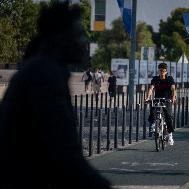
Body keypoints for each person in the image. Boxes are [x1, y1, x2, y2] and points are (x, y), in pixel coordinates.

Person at [0, 1, 111, 188]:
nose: (85, 42)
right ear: (62, 39)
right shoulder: (45, 76)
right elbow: (64, 150)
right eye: (79, 35)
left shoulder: (43, 69)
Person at [145, 63, 177, 145]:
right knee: (152, 108)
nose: (162, 72)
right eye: (160, 70)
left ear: (166, 71)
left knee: (168, 117)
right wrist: (148, 97)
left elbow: (173, 89)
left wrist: (173, 98)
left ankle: (170, 135)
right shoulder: (155, 79)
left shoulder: (169, 79)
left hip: (167, 99)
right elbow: (151, 88)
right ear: (158, 71)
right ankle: (153, 124)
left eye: (163, 71)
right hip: (157, 98)